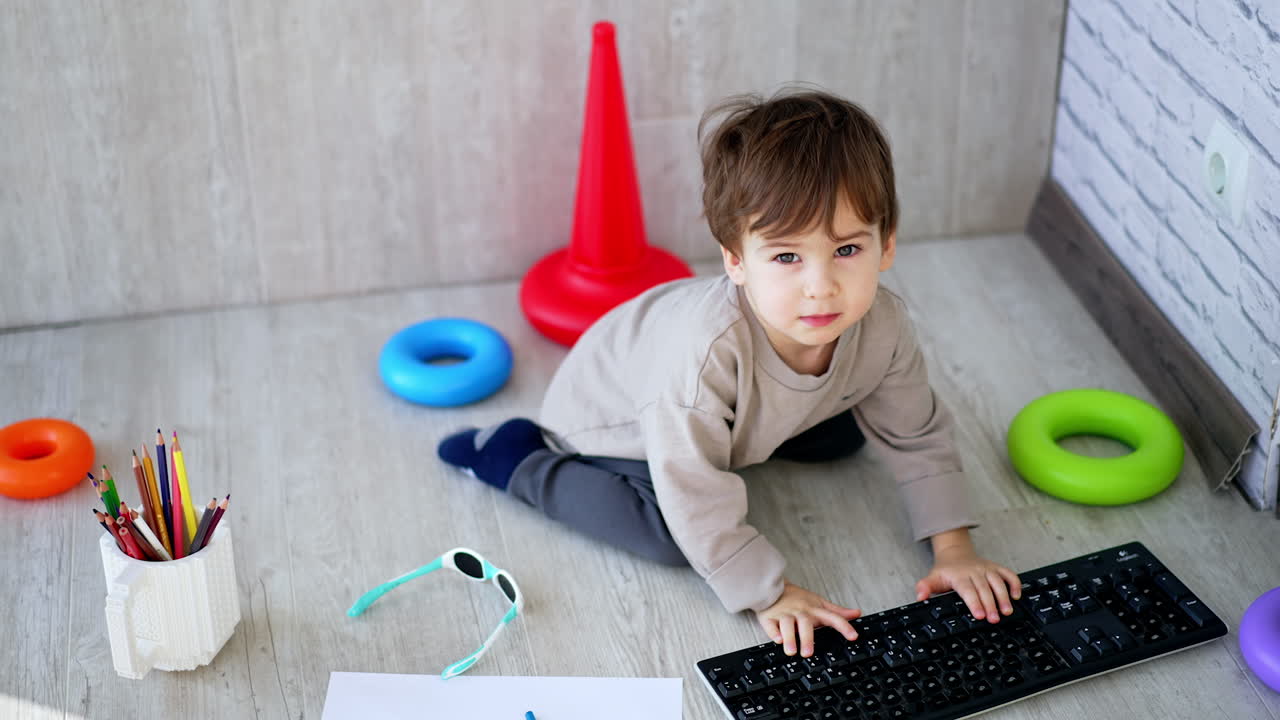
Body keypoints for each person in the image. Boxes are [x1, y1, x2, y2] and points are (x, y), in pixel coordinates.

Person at [438, 87, 1021, 659]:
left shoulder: (883, 323)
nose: (821, 286)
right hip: (621, 425)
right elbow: (691, 488)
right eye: (787, 257)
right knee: (674, 537)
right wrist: (769, 592)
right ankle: (514, 459)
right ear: (736, 261)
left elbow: (915, 431)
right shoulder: (705, 357)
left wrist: (954, 548)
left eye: (847, 250)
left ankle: (752, 436)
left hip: (725, 415)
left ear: (886, 244)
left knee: (849, 431)